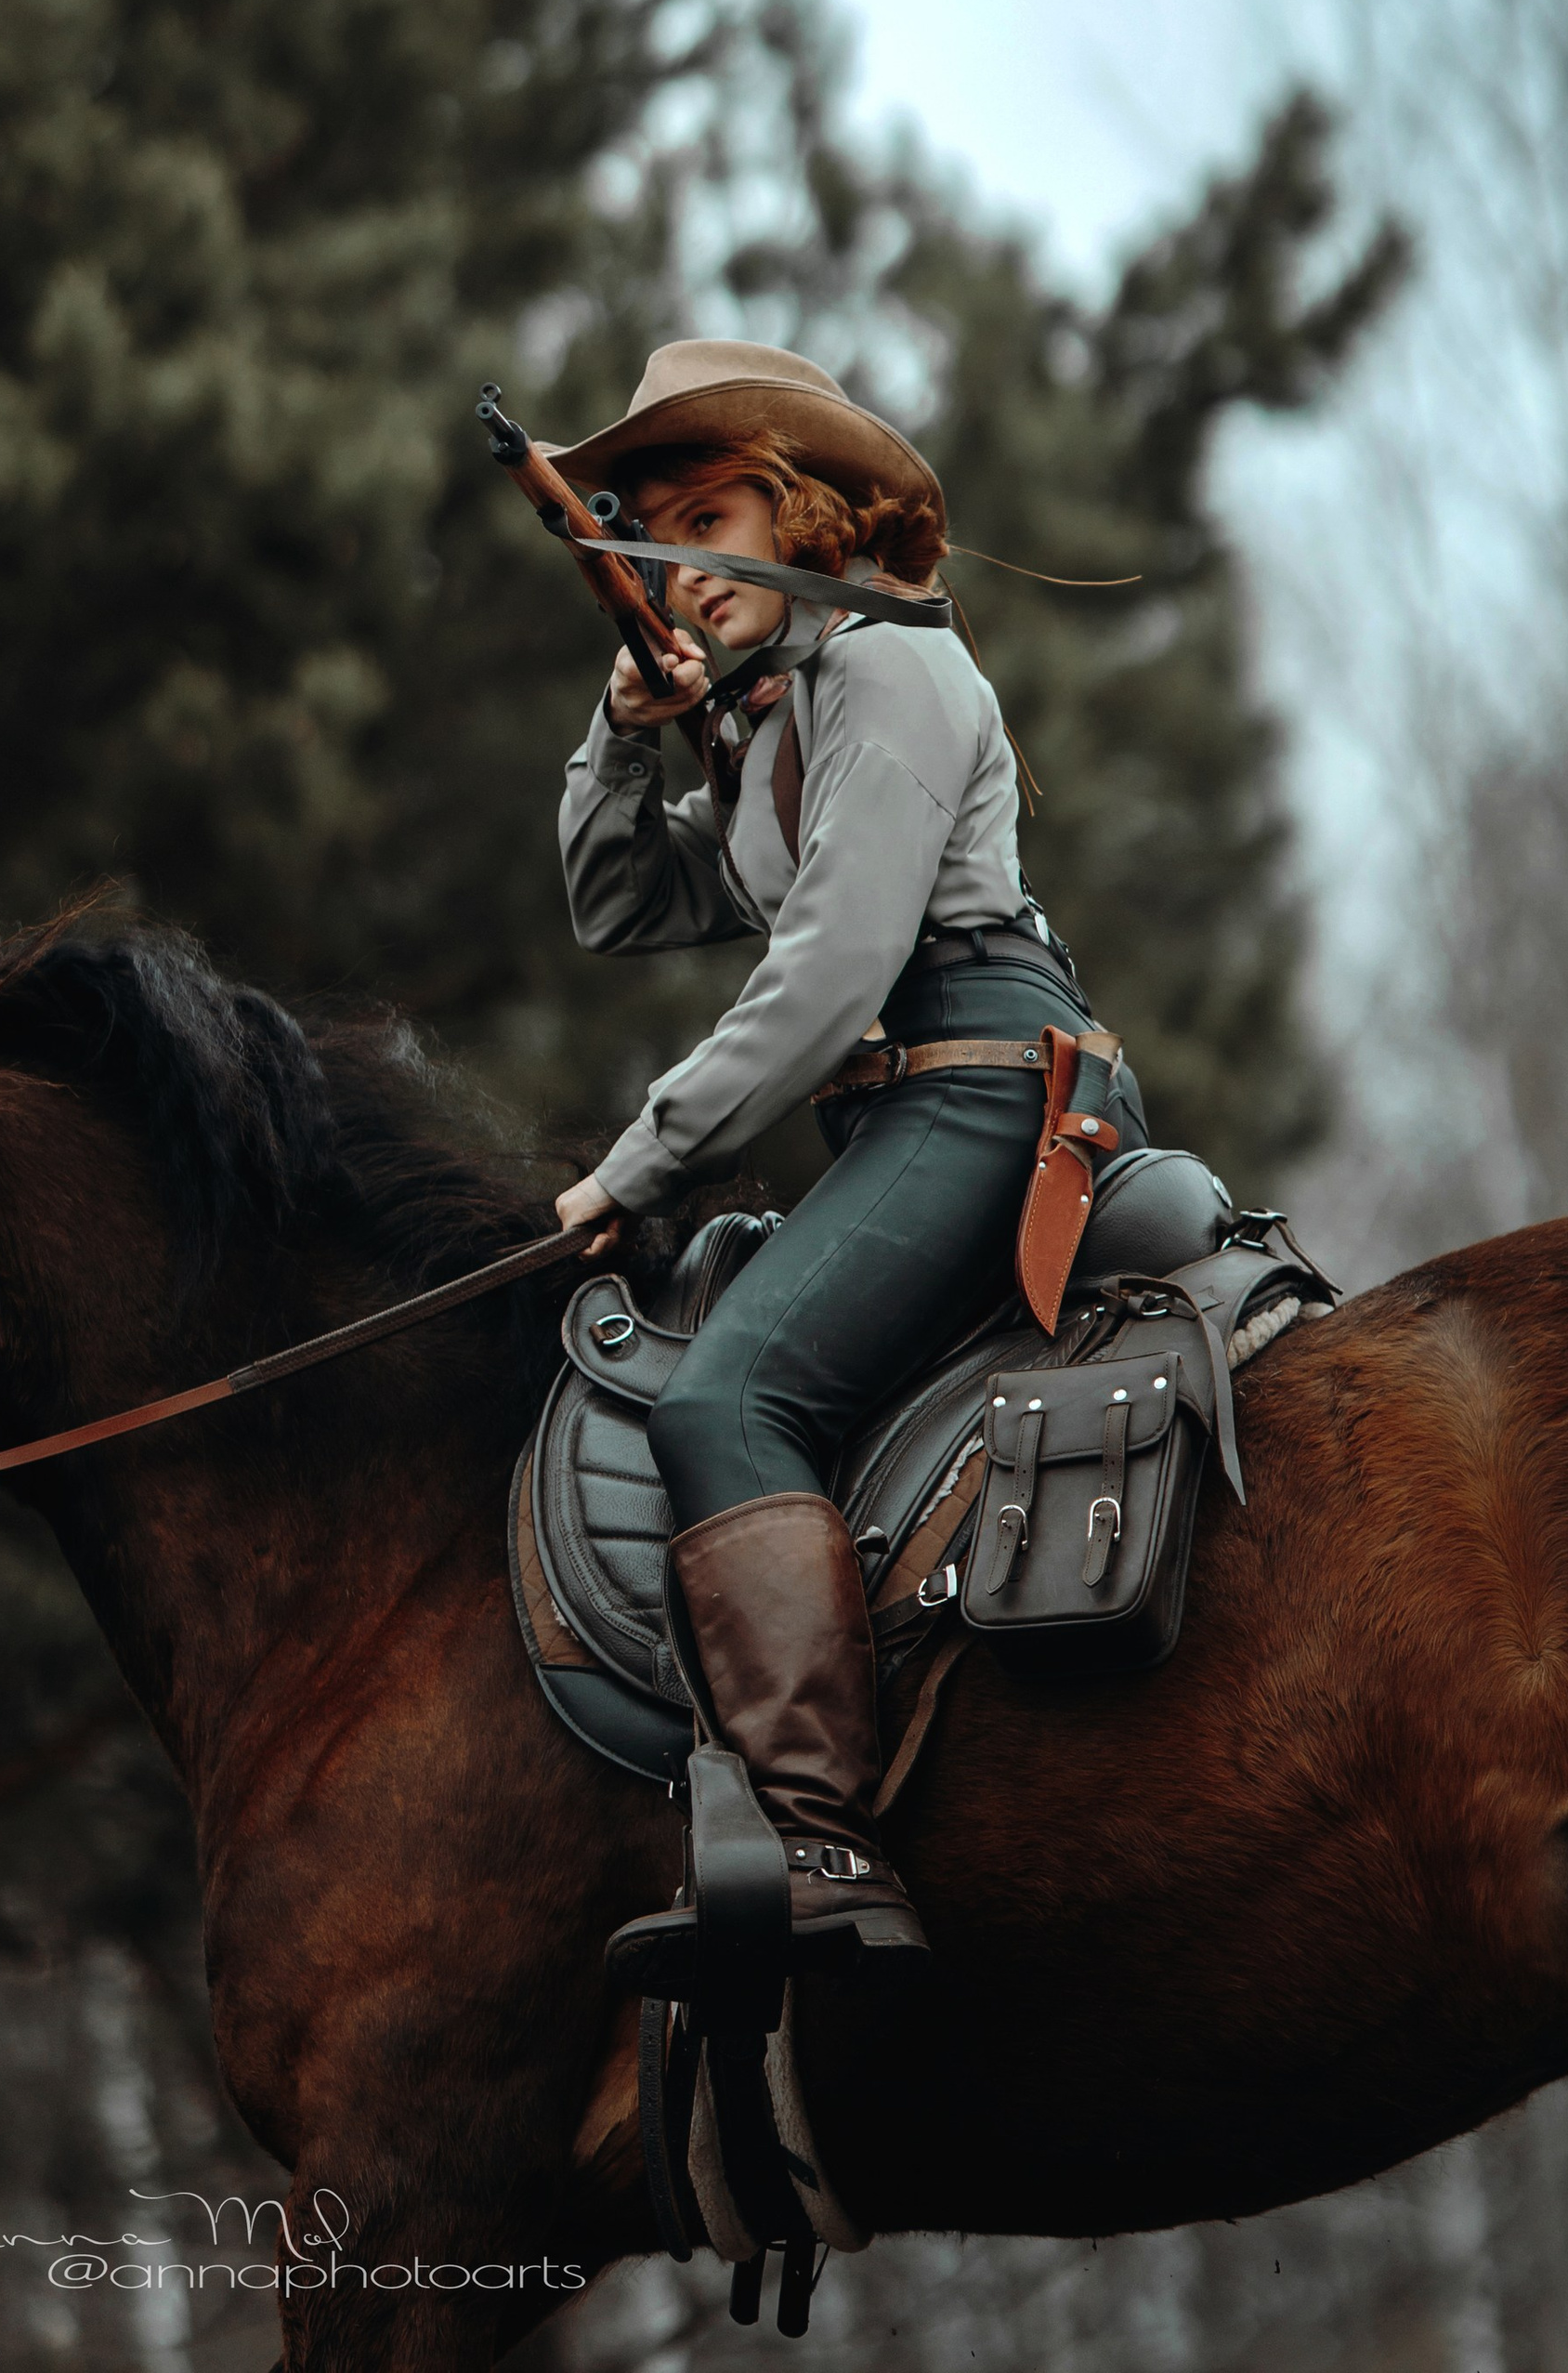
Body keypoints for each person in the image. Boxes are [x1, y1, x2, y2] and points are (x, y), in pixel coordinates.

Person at [549, 340, 1147, 1985]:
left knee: (722, 1401)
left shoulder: (884, 674)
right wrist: (625, 731)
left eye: (709, 511)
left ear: (801, 513)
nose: (674, 554)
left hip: (974, 1082)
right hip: (905, 1106)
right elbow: (616, 905)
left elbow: (826, 975)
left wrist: (641, 1164)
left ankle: (819, 1836)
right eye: (648, 530)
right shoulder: (775, 720)